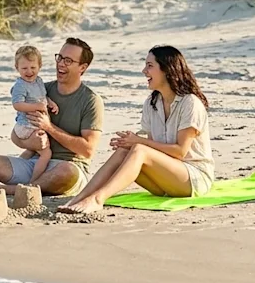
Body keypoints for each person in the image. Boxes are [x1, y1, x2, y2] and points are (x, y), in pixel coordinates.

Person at [58, 45, 214, 215]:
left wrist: (139, 142)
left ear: (167, 70)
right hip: (165, 182)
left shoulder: (189, 103)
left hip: (194, 179)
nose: (144, 71)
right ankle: (81, 197)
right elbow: (155, 147)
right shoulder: (152, 103)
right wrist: (130, 141)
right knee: (126, 149)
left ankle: (98, 199)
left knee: (139, 149)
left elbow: (180, 152)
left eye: (150, 66)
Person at [0, 37, 104, 197]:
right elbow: (15, 136)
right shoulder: (40, 89)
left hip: (68, 168)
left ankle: (17, 190)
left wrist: (49, 128)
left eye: (68, 60)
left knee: (66, 171)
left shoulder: (91, 101)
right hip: (35, 164)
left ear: (82, 67)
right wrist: (31, 142)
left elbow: (88, 150)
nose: (60, 64)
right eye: (59, 57)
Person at [8, 45, 59, 183]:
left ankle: (16, 169)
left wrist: (50, 102)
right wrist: (36, 106)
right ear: (17, 67)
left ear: (39, 66)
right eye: (24, 68)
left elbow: (42, 96)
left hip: (34, 124)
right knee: (45, 153)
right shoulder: (20, 85)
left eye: (33, 68)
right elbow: (17, 104)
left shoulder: (38, 81)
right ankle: (33, 181)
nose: (29, 72)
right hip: (26, 125)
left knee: (32, 151)